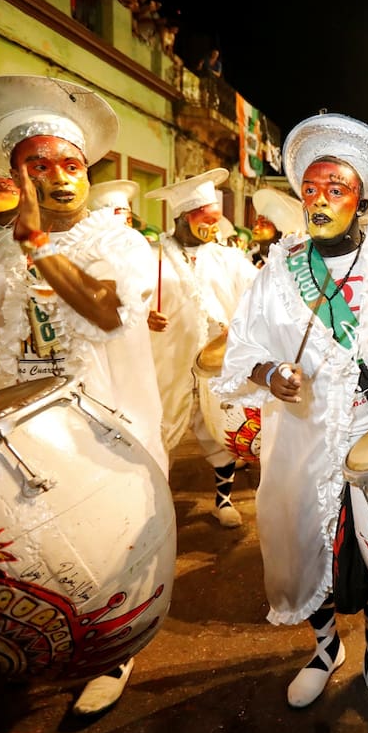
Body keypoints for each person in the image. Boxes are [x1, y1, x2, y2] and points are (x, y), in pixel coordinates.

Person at [0, 74, 166, 717]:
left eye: (72, 164)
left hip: (111, 421)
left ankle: (116, 650)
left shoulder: (119, 241)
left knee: (121, 539)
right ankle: (55, 645)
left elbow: (108, 312)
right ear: (16, 176)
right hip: (22, 425)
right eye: (39, 164)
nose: (60, 176)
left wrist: (42, 249)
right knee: (36, 537)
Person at [210, 113, 368, 722]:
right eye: (312, 189)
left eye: (337, 189)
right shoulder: (277, 271)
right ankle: (325, 651)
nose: (320, 199)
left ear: (361, 202)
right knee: (308, 548)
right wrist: (271, 375)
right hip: (301, 441)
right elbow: (242, 350)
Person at [145, 169, 259, 528]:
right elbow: (130, 298)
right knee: (161, 432)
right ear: (182, 217)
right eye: (205, 220)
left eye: (216, 220)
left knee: (218, 429)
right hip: (168, 359)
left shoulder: (226, 258)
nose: (213, 227)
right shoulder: (152, 256)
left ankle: (222, 500)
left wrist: (238, 327)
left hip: (214, 364)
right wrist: (145, 316)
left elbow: (256, 295)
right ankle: (154, 506)